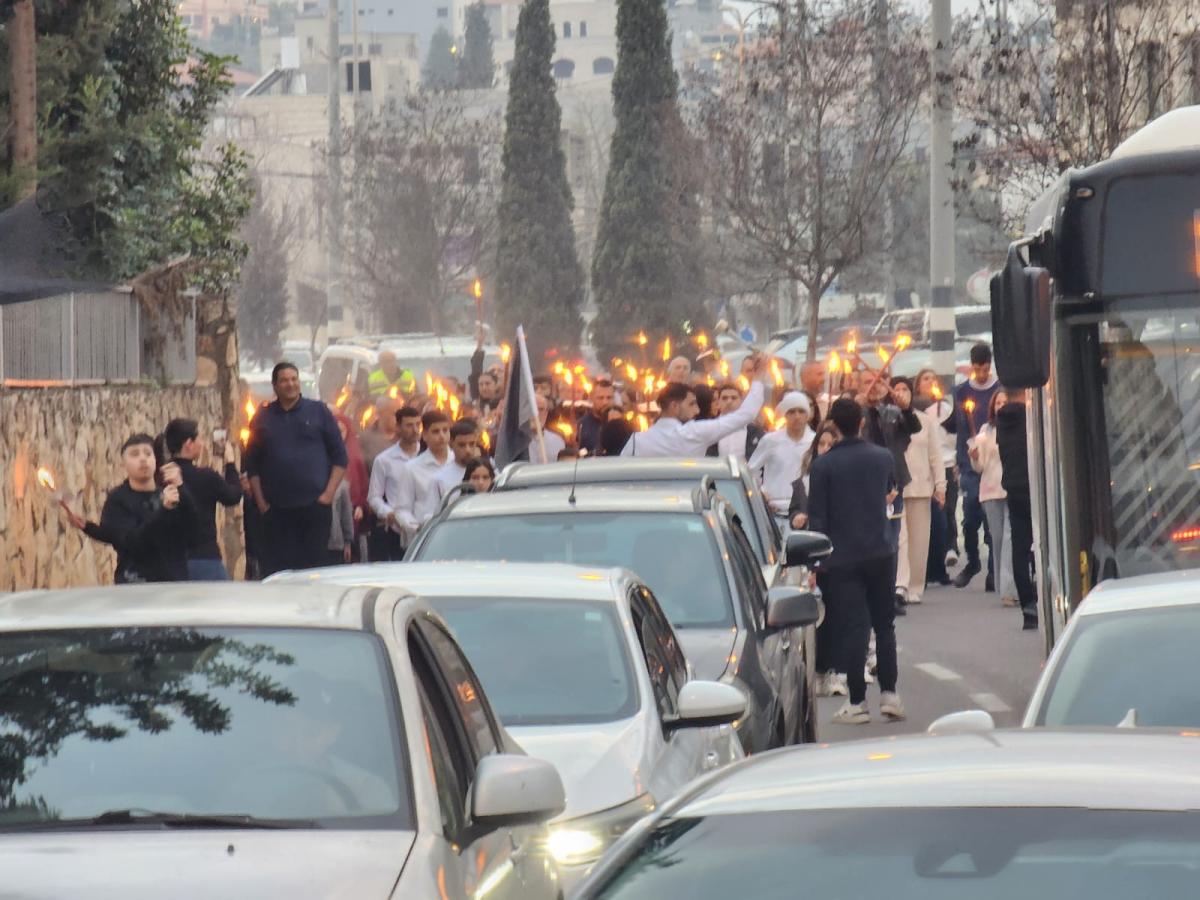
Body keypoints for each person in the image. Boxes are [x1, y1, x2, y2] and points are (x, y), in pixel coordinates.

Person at [807, 398, 904, 725]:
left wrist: (814, 564)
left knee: (854, 626)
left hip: (841, 556)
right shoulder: (882, 457)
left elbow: (817, 519)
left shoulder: (822, 466)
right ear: (861, 422)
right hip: (880, 549)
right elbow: (890, 494)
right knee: (885, 624)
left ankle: (858, 700)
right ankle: (890, 694)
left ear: (833, 424)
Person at [245, 362, 348, 576]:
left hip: (314, 510)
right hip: (276, 513)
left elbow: (340, 457)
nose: (290, 384)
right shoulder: (262, 418)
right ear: (275, 386)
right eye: (284, 380)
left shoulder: (319, 411)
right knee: (279, 573)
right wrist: (262, 504)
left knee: (313, 572)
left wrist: (327, 496)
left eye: (294, 379)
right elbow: (252, 465)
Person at [65, 433, 195, 583]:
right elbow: (129, 541)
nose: (143, 459)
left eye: (148, 453)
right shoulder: (118, 499)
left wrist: (181, 488)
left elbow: (195, 531)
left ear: (155, 460)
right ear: (123, 464)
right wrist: (89, 528)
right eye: (134, 454)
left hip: (173, 584)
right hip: (134, 585)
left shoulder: (169, 493)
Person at [622, 354, 769, 458]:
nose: (697, 409)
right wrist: (758, 377)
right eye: (691, 404)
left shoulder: (637, 441)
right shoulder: (693, 433)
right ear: (674, 406)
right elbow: (746, 415)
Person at [860, 374, 922, 613]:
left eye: (877, 383)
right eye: (868, 382)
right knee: (870, 536)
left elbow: (913, 428)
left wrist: (906, 409)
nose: (873, 387)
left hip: (892, 480)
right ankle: (869, 592)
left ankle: (889, 593)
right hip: (865, 482)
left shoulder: (891, 412)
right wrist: (859, 405)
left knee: (892, 538)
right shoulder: (856, 412)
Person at [789, 422, 842, 697]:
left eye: (830, 445)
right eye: (821, 445)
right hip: (808, 557)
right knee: (814, 619)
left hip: (835, 558)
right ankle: (816, 670)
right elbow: (795, 512)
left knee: (835, 617)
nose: (825, 449)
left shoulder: (844, 481)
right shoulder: (802, 483)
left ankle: (833, 670)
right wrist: (798, 517)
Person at [158, 418, 242, 580]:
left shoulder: (159, 477)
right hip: (205, 559)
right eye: (199, 439)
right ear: (189, 443)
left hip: (170, 561)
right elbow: (233, 496)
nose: (202, 444)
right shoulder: (206, 477)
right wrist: (230, 463)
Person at [891, 377, 945, 606]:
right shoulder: (887, 419)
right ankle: (900, 585)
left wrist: (941, 486)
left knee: (919, 540)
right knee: (901, 539)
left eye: (905, 389)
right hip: (896, 488)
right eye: (897, 389)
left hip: (921, 486)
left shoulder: (925, 420)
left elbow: (935, 454)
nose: (901, 393)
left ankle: (915, 586)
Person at [954, 343, 1000, 589]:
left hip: (994, 462)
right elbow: (961, 431)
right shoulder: (961, 392)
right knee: (970, 514)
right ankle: (973, 560)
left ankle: (994, 570)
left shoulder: (998, 390)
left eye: (985, 369)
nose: (981, 374)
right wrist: (960, 462)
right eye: (977, 370)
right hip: (970, 463)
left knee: (991, 516)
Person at [995, 391, 1038, 630]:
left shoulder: (1002, 420)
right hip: (1035, 486)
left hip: (1013, 487)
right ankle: (1040, 592)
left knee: (1019, 547)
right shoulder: (1031, 416)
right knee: (1041, 543)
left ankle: (1028, 607)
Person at [970, 389, 1017, 608]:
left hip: (1013, 488)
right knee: (997, 540)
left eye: (1005, 402)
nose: (1001, 406)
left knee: (1010, 538)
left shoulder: (1018, 427)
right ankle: (1002, 586)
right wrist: (975, 457)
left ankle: (1010, 589)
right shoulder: (985, 431)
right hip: (991, 489)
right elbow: (979, 467)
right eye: (998, 403)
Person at [366, 406, 424, 562]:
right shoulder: (384, 460)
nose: (415, 430)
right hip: (398, 530)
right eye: (409, 425)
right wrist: (388, 513)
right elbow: (374, 496)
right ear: (398, 427)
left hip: (426, 528)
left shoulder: (427, 456)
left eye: (418, 425)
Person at [914, 368, 955, 585]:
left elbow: (951, 437)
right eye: (925, 379)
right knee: (923, 525)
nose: (930, 382)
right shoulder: (915, 412)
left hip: (943, 464)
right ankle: (922, 571)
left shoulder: (944, 409)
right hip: (920, 472)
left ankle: (940, 564)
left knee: (941, 518)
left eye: (933, 378)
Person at [747, 392, 814, 518]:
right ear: (785, 415)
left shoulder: (814, 441)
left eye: (801, 411)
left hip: (804, 513)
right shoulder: (771, 440)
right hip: (774, 512)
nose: (797, 416)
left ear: (807, 414)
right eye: (792, 412)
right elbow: (750, 471)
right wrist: (761, 493)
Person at [408, 411, 458, 519]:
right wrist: (416, 526)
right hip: (427, 530)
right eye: (436, 431)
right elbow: (403, 509)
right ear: (425, 435)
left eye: (445, 430)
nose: (442, 436)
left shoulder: (460, 462)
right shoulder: (411, 468)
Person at [711, 382, 765, 460]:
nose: (729, 401)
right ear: (718, 403)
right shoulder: (710, 429)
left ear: (741, 401)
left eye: (734, 398)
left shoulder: (754, 431)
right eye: (724, 398)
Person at [578, 379, 615, 456]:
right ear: (591, 398)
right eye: (600, 398)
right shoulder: (582, 425)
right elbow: (577, 452)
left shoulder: (621, 425)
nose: (605, 402)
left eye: (609, 398)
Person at [530, 394, 567, 463]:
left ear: (546, 413)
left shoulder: (558, 442)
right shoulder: (514, 442)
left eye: (541, 409)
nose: (536, 414)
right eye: (532, 409)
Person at [326, 479, 354, 565]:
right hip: (312, 542)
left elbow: (346, 515)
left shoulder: (341, 485)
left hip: (335, 543)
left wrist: (347, 543)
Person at [798, 360, 826, 430]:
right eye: (819, 374)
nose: (823, 379)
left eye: (823, 374)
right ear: (805, 377)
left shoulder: (826, 402)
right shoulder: (797, 403)